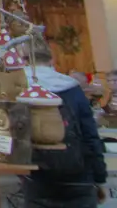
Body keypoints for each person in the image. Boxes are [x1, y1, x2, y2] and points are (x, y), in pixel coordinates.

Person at [23, 41, 107, 208]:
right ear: (51, 60)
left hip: (37, 175)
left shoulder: (19, 88)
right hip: (78, 174)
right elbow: (90, 136)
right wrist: (99, 177)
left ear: (25, 61)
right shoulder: (72, 87)